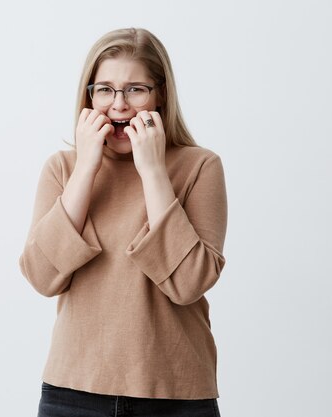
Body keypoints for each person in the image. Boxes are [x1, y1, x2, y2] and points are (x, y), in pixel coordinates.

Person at [19, 27, 227, 417]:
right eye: (105, 90)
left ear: (160, 94)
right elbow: (41, 276)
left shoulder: (200, 166)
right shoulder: (62, 169)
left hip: (176, 396)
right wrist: (86, 169)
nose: (119, 105)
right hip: (71, 394)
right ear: (89, 95)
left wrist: (152, 172)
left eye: (135, 89)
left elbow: (190, 283)